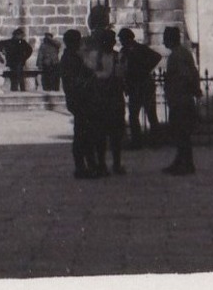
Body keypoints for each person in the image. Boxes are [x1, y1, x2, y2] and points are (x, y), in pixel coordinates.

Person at [162, 25, 201, 175]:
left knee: (181, 133)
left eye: (165, 38)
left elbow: (185, 75)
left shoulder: (177, 55)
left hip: (181, 99)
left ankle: (187, 164)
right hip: (180, 98)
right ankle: (180, 162)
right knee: (180, 133)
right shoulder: (182, 53)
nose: (164, 41)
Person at [86, 26, 125, 175]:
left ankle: (116, 163)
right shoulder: (95, 56)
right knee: (100, 134)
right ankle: (101, 164)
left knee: (116, 135)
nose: (111, 43)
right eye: (108, 40)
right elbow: (90, 75)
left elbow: (121, 75)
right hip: (100, 99)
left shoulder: (118, 56)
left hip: (114, 99)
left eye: (112, 40)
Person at [118, 27, 163, 148]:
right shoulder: (125, 51)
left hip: (144, 84)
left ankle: (155, 141)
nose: (121, 41)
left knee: (150, 114)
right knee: (134, 115)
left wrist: (145, 68)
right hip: (134, 85)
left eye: (122, 39)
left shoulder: (140, 48)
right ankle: (137, 141)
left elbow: (157, 56)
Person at [59, 29, 95, 179]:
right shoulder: (71, 58)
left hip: (76, 99)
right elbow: (76, 80)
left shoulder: (69, 56)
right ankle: (82, 167)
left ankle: (86, 166)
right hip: (80, 99)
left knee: (83, 133)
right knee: (82, 134)